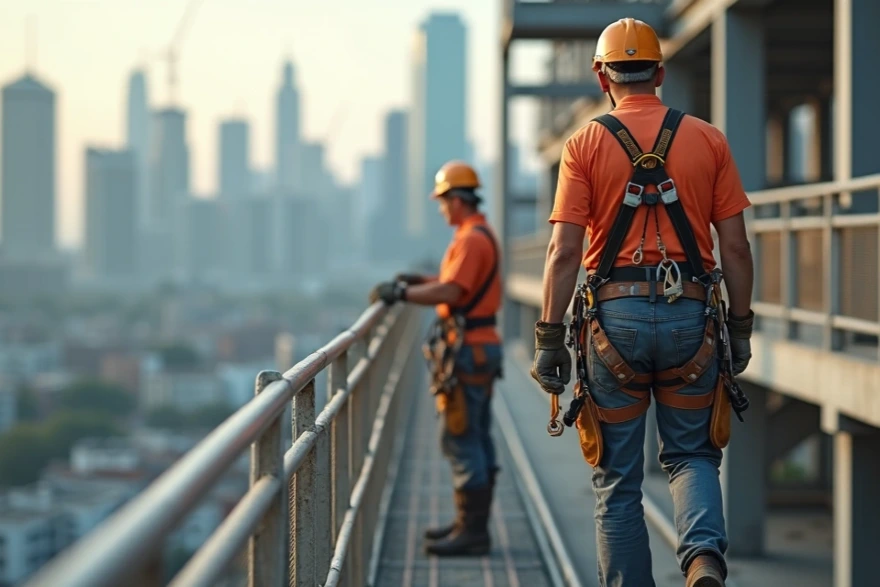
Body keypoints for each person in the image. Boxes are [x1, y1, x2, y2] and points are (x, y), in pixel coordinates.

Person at [529, 17, 754, 587]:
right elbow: (735, 247)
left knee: (618, 480)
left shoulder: (583, 144)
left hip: (613, 324)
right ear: (659, 71)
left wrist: (549, 339)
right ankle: (703, 559)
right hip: (692, 321)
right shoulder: (708, 139)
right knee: (692, 455)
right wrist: (742, 327)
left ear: (601, 74)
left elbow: (562, 252)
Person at [369, 160, 503, 557]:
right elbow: (453, 286)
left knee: (462, 437)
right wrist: (420, 281)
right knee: (474, 435)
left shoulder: (472, 239)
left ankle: (473, 530)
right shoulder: (475, 233)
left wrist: (403, 295)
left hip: (470, 350)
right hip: (478, 347)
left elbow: (451, 294)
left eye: (443, 201)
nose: (441, 209)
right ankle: (469, 524)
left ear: (457, 200)